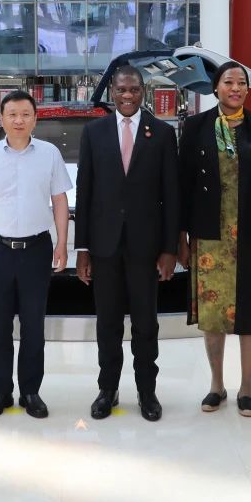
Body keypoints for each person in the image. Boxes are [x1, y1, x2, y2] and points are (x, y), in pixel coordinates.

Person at [75, 65, 179, 422]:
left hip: (145, 248)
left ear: (143, 91)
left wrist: (169, 249)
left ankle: (147, 392)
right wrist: (82, 248)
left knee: (146, 325)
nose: (128, 95)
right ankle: (108, 389)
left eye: (134, 89)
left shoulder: (162, 133)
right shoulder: (94, 132)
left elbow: (171, 195)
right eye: (121, 90)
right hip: (104, 247)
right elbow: (85, 192)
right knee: (107, 324)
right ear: (112, 93)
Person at [177, 61, 251, 417]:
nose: (235, 88)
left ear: (247, 90)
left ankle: (247, 386)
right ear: (216, 87)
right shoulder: (196, 127)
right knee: (213, 315)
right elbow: (183, 184)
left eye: (241, 83)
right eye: (228, 82)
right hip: (211, 236)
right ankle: (216, 384)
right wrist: (180, 236)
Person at [0, 90, 71, 420]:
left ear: (35, 119)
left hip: (36, 249)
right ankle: (0, 391)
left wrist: (62, 243)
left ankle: (30, 391)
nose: (19, 120)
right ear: (2, 118)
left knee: (33, 326)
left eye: (25, 114)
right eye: (12, 114)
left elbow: (60, 201)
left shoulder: (50, 154)